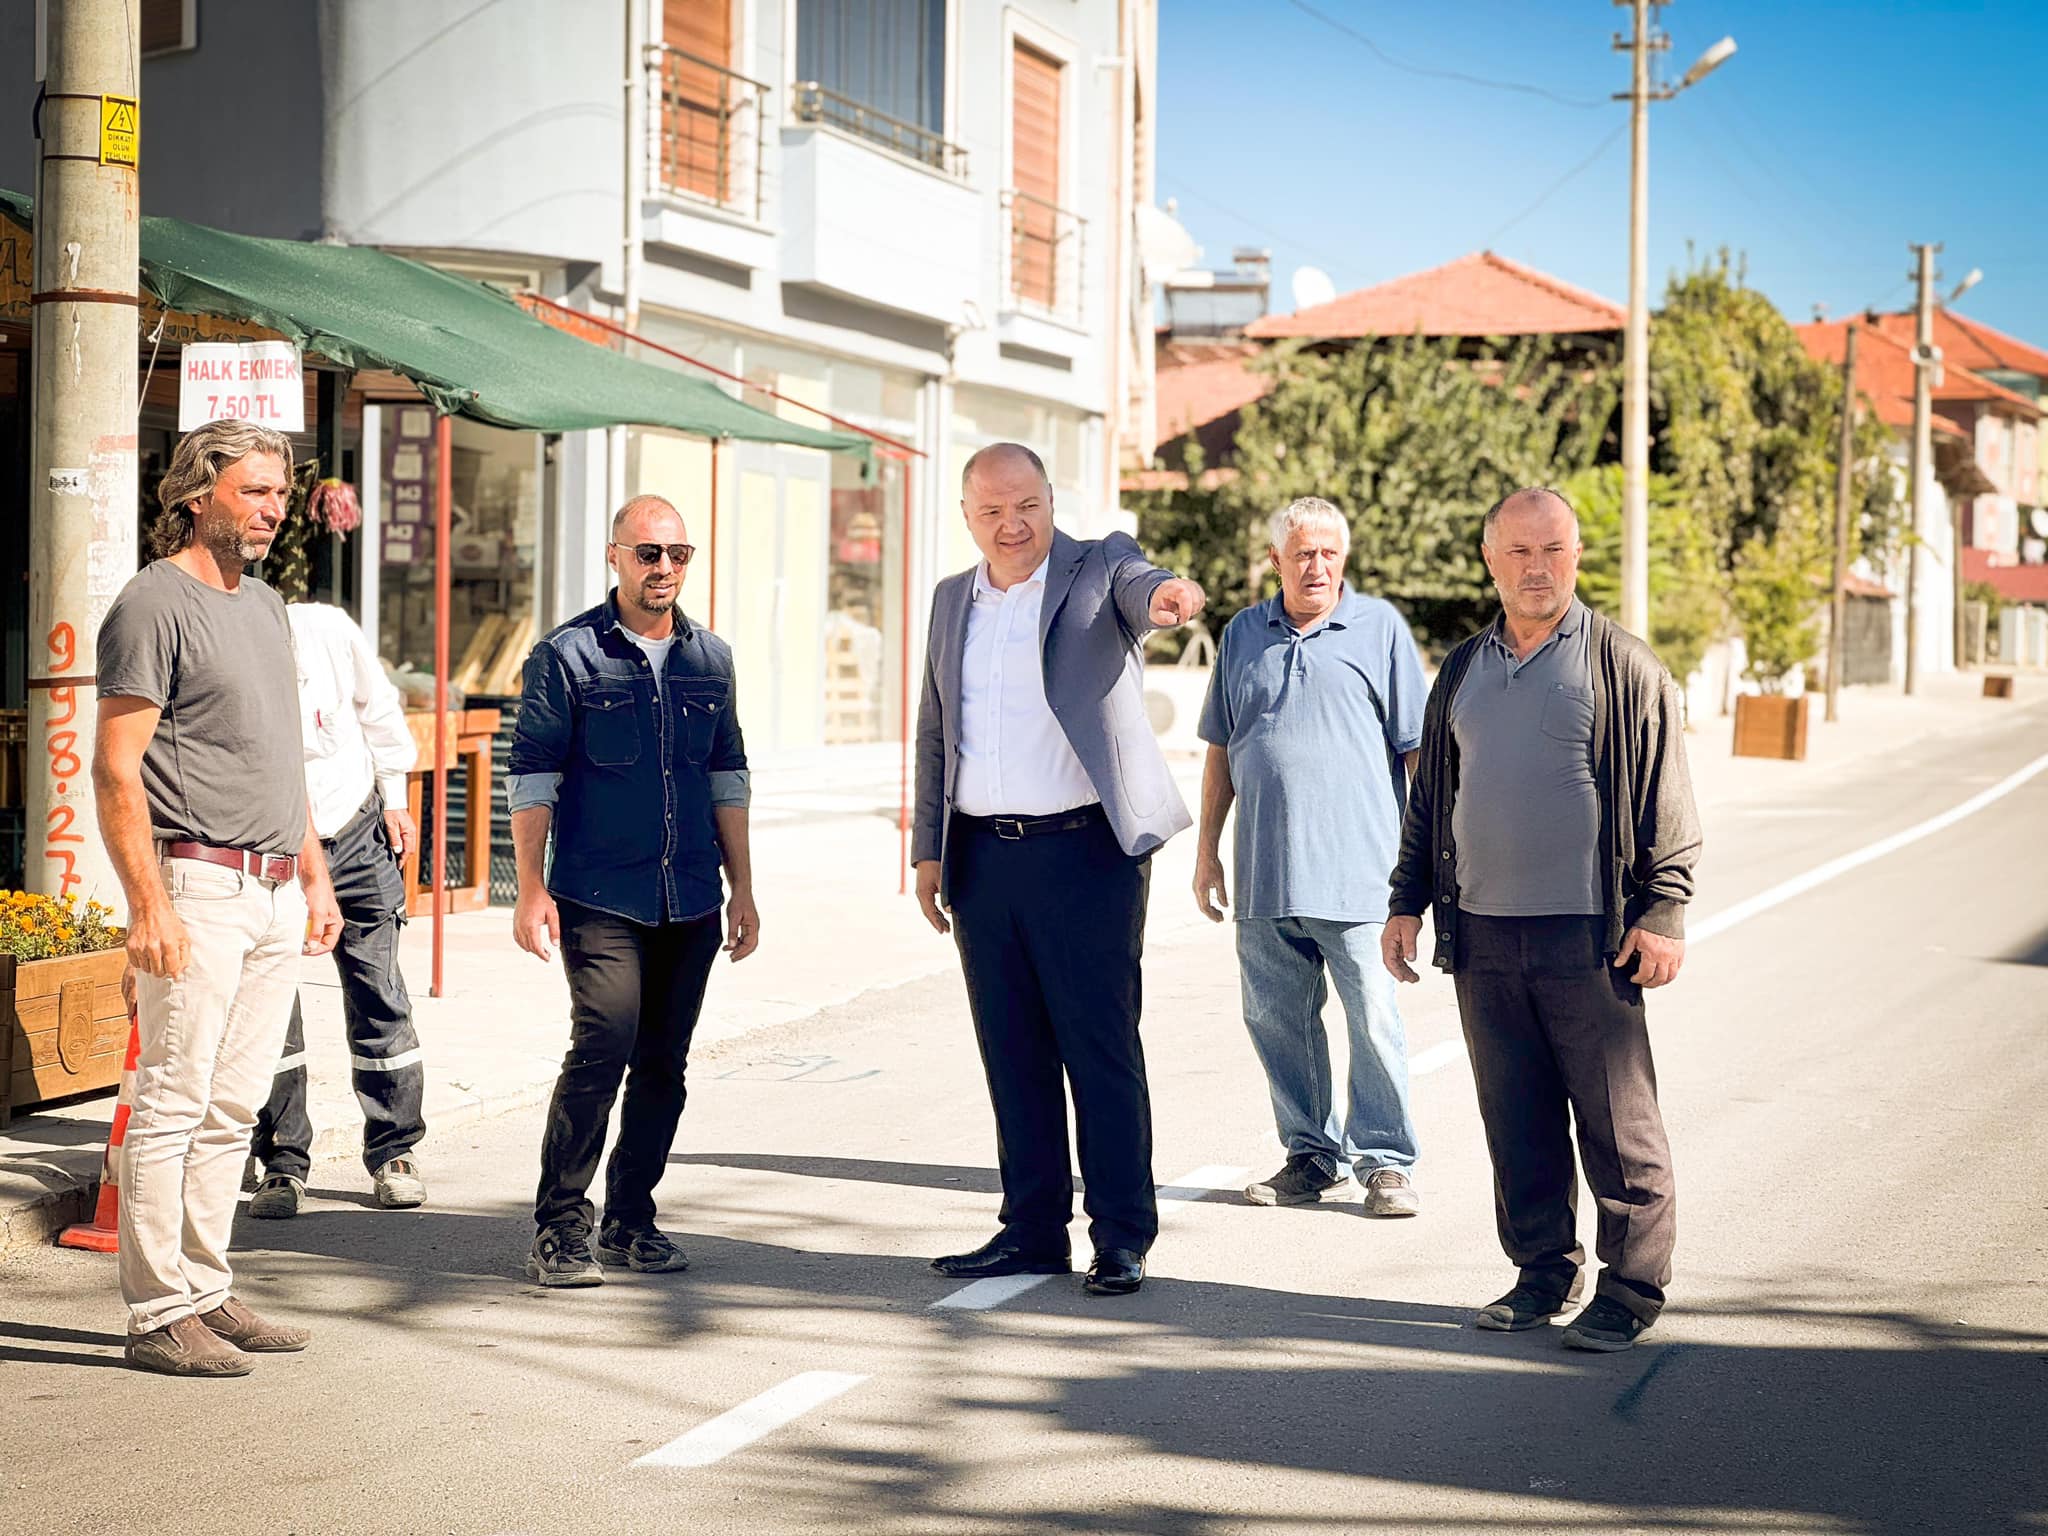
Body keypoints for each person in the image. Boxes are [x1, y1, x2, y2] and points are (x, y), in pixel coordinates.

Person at [1383, 486, 1700, 1352]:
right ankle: (1541, 1272)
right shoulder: (1462, 669)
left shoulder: (1621, 664)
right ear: (1490, 560)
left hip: (1589, 935)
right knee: (1515, 1117)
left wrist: (1664, 910)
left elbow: (1670, 795)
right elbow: (1431, 799)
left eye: (1553, 550)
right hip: (1482, 932)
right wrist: (1405, 899)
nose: (1536, 567)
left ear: (1577, 557)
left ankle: (1631, 1288)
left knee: (1615, 1120)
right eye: (1519, 552)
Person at [913, 442, 1205, 1298]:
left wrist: (1167, 598)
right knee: (1012, 1053)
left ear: (1050, 500)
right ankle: (1032, 1230)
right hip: (981, 857)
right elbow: (936, 728)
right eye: (992, 510)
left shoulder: (1096, 565)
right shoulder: (947, 600)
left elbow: (1142, 585)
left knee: (1099, 1048)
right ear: (967, 517)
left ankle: (1120, 1235)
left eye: (1027, 505)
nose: (1013, 524)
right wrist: (929, 850)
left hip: (1086, 852)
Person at [92, 420, 344, 1377]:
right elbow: (117, 771)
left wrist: (314, 874)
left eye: (281, 494)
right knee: (171, 1097)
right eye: (255, 492)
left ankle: (205, 1283)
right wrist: (147, 904)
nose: (275, 510)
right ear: (198, 492)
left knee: (235, 1108)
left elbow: (279, 757)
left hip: (277, 885)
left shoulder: (269, 604)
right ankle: (158, 1311)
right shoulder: (154, 604)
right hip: (195, 882)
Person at [505, 494, 757, 1288]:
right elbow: (533, 776)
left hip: (689, 894)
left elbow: (728, 775)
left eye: (678, 554)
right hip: (599, 893)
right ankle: (560, 1226)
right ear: (615, 555)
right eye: (649, 553)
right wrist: (529, 888)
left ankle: (631, 1219)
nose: (664, 569)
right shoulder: (567, 656)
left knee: (664, 1064)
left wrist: (743, 885)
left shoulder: (710, 659)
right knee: (603, 1044)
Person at [1194, 497, 1427, 1216]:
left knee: (1374, 1023)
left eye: (1328, 553)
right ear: (1277, 561)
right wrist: (1207, 852)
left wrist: (1425, 873)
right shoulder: (1240, 634)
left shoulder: (1379, 628)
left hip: (1362, 877)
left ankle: (1386, 1163)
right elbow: (1222, 751)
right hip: (1266, 877)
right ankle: (1310, 1155)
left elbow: (1418, 753)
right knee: (1276, 1022)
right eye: (1302, 553)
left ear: (1344, 560)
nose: (1316, 565)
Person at [244, 601, 426, 1218]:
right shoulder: (230, 643)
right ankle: (281, 1161)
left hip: (353, 831)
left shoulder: (326, 628)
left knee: (379, 993)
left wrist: (396, 800)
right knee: (271, 1010)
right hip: (271, 839)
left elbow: (379, 713)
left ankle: (394, 1148)